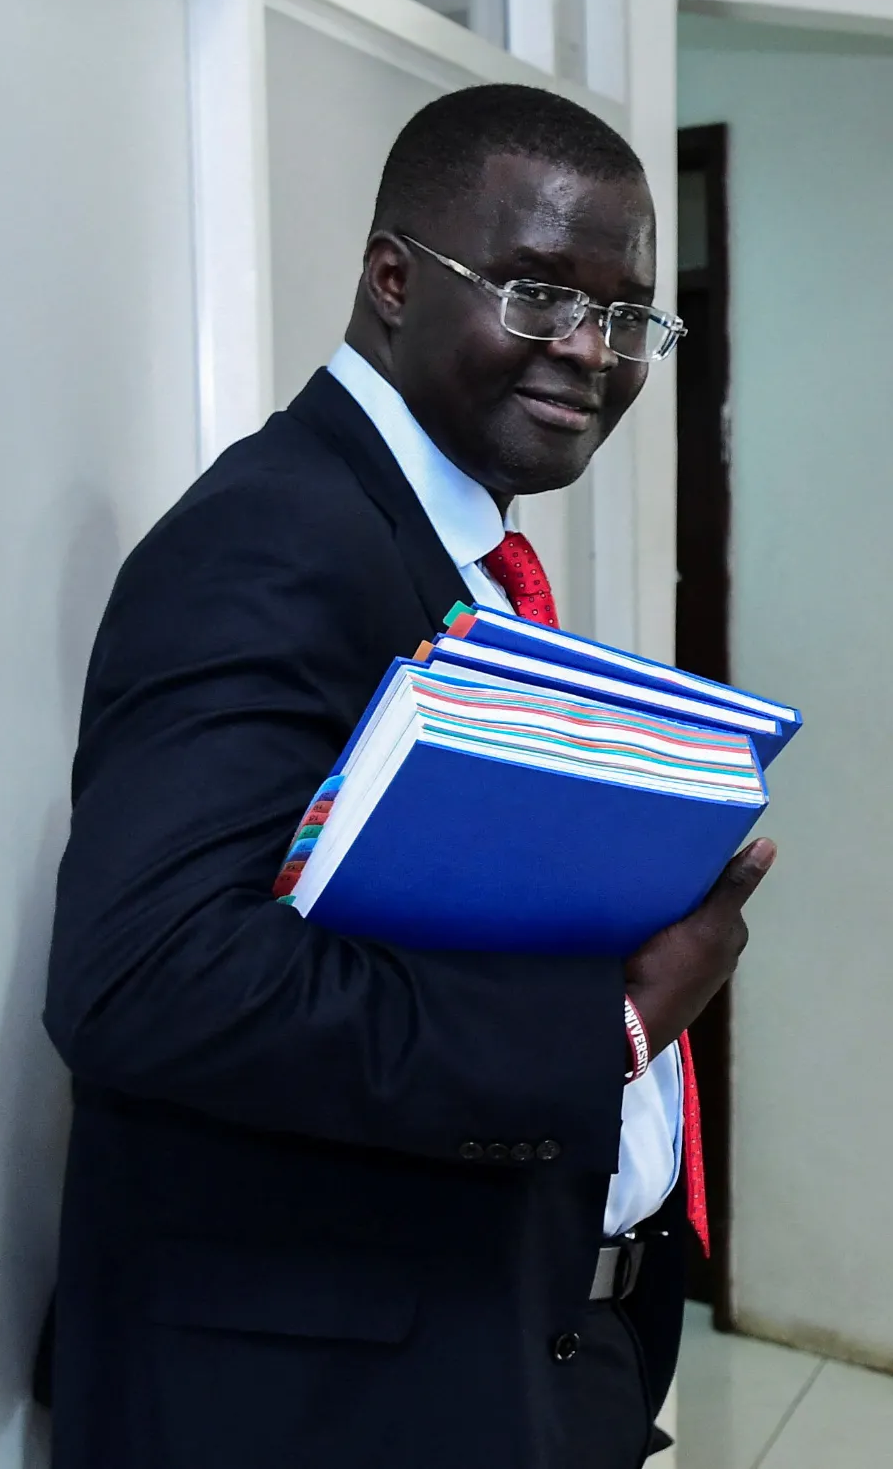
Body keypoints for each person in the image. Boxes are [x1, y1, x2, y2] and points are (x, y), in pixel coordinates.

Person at [41, 84, 769, 1469]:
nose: (592, 355)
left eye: (627, 318)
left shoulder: (450, 554)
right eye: (543, 296)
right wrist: (605, 1030)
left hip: (503, 1345)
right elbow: (145, 978)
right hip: (320, 1404)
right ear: (391, 278)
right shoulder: (274, 539)